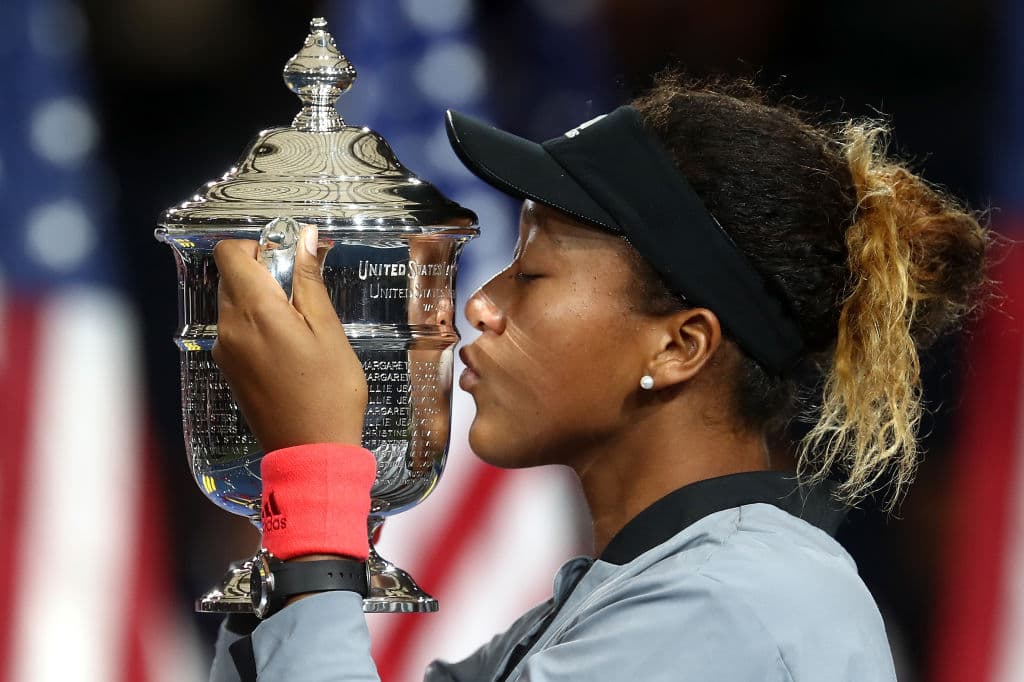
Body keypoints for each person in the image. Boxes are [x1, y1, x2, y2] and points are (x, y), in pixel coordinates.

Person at [207, 73, 988, 681]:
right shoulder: (650, 588)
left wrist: (315, 477)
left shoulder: (731, 602)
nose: (480, 305)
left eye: (534, 274)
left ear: (679, 347)